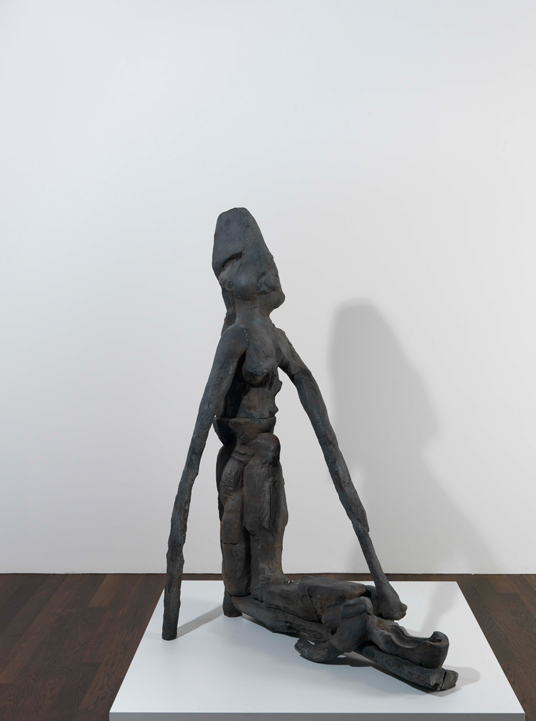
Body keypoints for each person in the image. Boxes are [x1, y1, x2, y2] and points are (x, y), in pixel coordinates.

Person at [162, 208, 457, 691]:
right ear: (231, 276)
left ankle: (365, 624)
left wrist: (343, 475)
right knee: (254, 584)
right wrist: (181, 512)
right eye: (254, 260)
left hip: (264, 463)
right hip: (241, 469)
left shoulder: (273, 339)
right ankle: (357, 625)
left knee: (281, 580)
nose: (269, 269)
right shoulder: (237, 338)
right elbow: (202, 427)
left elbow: (318, 415)